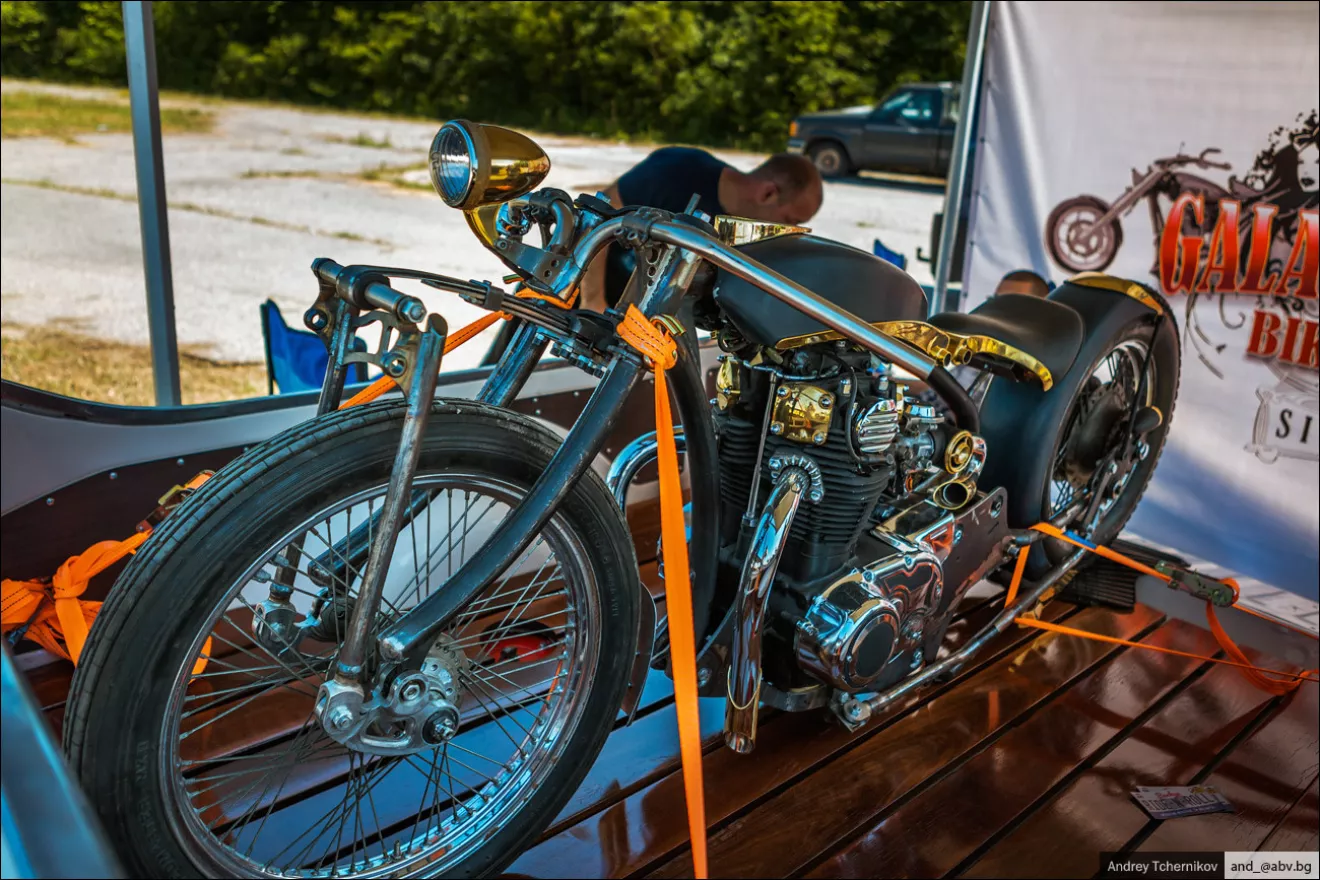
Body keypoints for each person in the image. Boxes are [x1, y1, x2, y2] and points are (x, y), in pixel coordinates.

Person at [579, 146, 825, 311]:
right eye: (790, 220)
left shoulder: (748, 238)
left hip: (638, 324)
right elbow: (599, 218)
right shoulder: (676, 170)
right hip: (584, 296)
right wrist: (593, 302)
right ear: (768, 193)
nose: (787, 229)